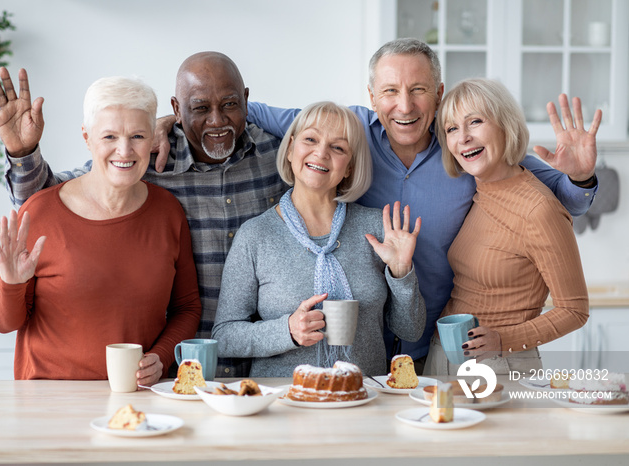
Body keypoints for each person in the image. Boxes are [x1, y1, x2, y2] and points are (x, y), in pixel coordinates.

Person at [241, 38, 598, 372]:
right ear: (372, 96)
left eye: (419, 90)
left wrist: (580, 178)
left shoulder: (465, 150)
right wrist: (188, 117)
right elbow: (259, 114)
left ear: (439, 93)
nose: (405, 105)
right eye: (390, 91)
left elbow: (550, 191)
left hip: (438, 347)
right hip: (369, 353)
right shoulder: (347, 133)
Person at [0, 52, 287, 378]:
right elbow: (55, 199)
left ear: (246, 100)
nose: (217, 120)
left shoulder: (281, 156)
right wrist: (23, 153)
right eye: (201, 108)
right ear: (177, 110)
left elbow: (332, 155)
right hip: (177, 371)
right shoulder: (148, 161)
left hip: (257, 363)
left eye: (230, 105)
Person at [0, 75, 202, 383]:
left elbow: (187, 307)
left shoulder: (168, 212)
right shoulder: (40, 211)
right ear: (87, 138)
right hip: (48, 401)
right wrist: (10, 283)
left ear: (153, 136)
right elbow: (3, 323)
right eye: (109, 137)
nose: (124, 151)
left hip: (134, 399)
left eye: (138, 136)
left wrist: (162, 355)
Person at [212, 102, 425, 377]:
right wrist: (286, 330)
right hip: (283, 404)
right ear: (290, 149)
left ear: (349, 167)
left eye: (338, 147)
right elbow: (224, 337)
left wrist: (401, 272)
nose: (321, 152)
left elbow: (410, 330)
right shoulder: (255, 235)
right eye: (310, 139)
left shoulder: (378, 229)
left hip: (360, 400)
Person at [423, 78, 594, 375]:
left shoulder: (538, 209)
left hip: (499, 365)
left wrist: (503, 340)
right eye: (451, 129)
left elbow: (575, 311)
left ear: (505, 125)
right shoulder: (479, 191)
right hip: (443, 358)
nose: (462, 137)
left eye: (474, 121)